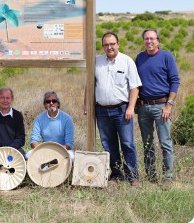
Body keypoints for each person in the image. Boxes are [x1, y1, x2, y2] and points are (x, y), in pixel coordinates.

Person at [85, 32, 142, 186]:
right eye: (106, 44)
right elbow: (89, 86)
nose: (109, 47)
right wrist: (86, 105)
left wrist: (130, 107)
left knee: (127, 143)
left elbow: (135, 87)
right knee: (109, 145)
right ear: (103, 46)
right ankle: (116, 175)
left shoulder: (127, 61)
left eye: (112, 44)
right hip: (102, 111)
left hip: (122, 110)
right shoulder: (97, 62)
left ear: (118, 44)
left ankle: (132, 176)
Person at [135, 28, 180, 185]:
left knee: (165, 142)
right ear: (143, 41)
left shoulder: (166, 56)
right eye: (146, 39)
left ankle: (168, 176)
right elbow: (135, 83)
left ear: (158, 40)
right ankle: (151, 175)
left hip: (162, 106)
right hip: (143, 106)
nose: (149, 41)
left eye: (152, 39)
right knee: (147, 143)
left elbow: (175, 81)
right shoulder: (139, 58)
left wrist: (169, 105)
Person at [26, 91, 75, 161]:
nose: (51, 103)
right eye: (48, 101)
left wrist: (54, 152)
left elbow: (69, 144)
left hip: (62, 150)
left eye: (54, 101)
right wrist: (46, 151)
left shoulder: (67, 118)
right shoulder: (39, 119)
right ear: (45, 105)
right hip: (44, 151)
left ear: (58, 104)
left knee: (72, 156)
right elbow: (33, 141)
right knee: (28, 155)